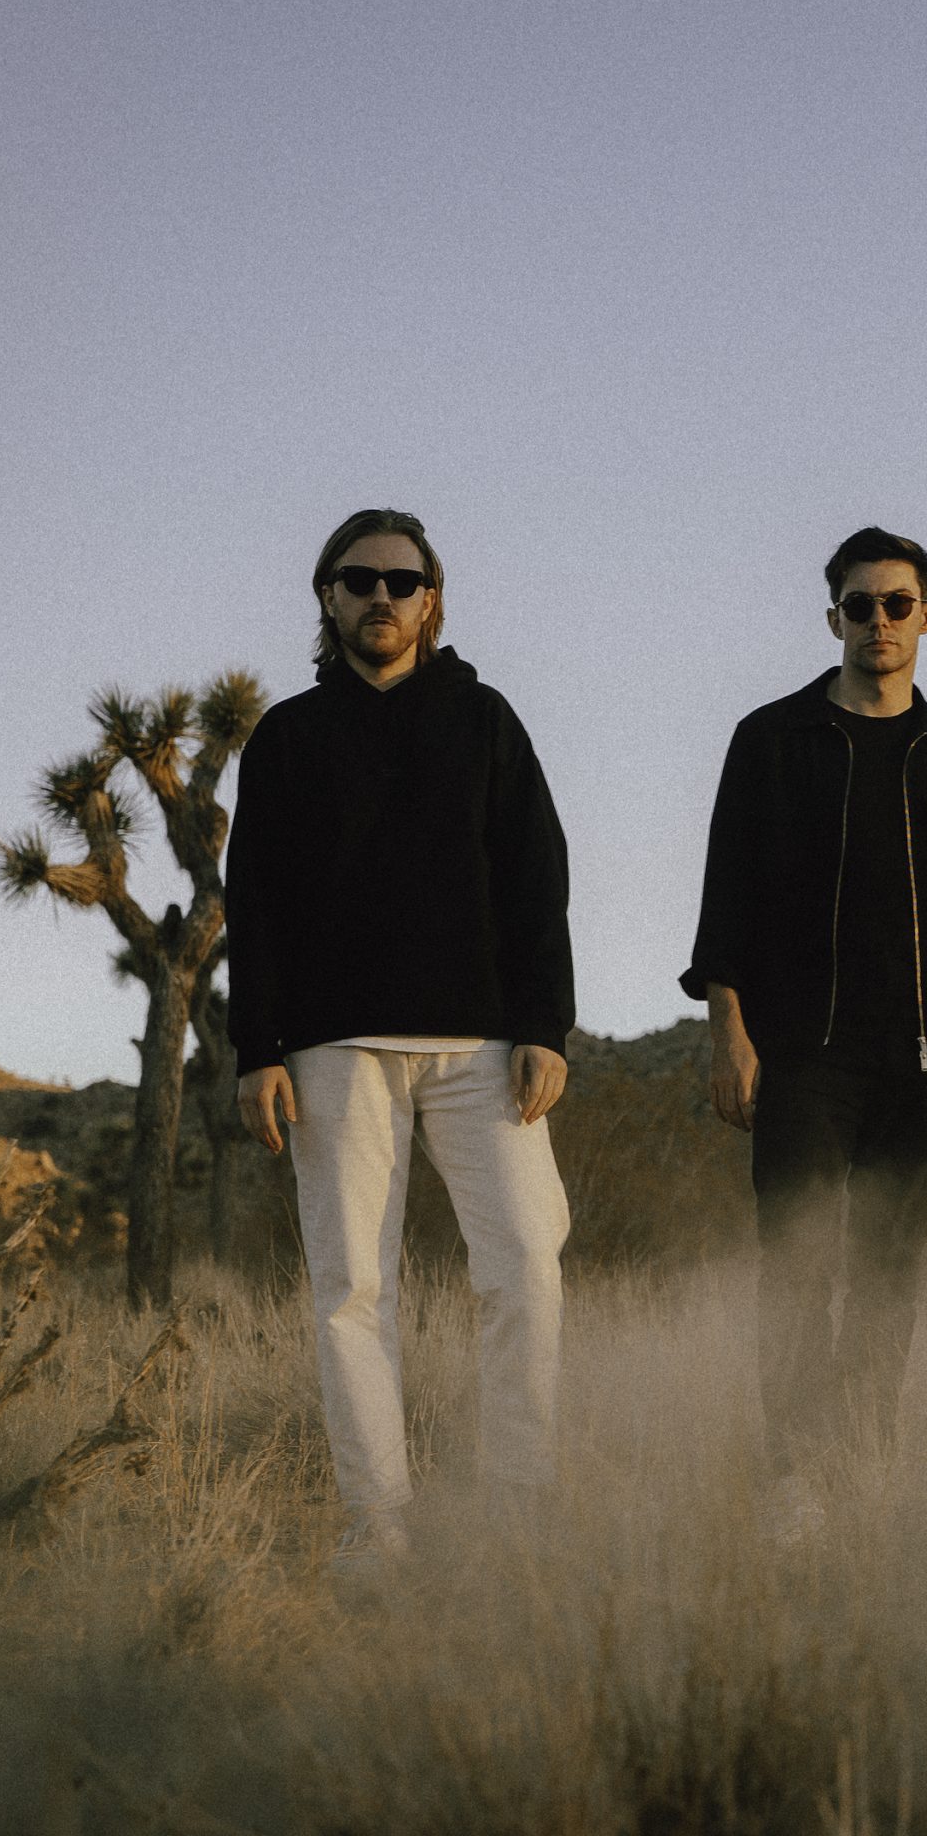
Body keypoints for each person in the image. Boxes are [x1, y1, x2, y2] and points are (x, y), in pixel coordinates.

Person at [228, 507, 575, 1572]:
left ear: (434, 600)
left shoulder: (485, 720)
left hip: (482, 1044)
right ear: (327, 597)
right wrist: (256, 1048)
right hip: (333, 1046)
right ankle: (376, 1523)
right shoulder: (287, 737)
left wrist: (544, 1025)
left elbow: (536, 875)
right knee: (350, 1291)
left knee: (525, 1260)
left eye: (402, 580)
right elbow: (256, 901)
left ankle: (520, 1504)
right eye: (358, 579)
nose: (380, 596)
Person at [683, 527, 927, 1529]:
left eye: (897, 603)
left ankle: (863, 1466)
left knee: (887, 1273)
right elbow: (725, 898)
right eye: (860, 604)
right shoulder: (771, 740)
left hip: (922, 1064)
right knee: (798, 1267)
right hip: (801, 1057)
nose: (880, 621)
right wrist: (727, 1030)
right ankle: (794, 1478)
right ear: (832, 616)